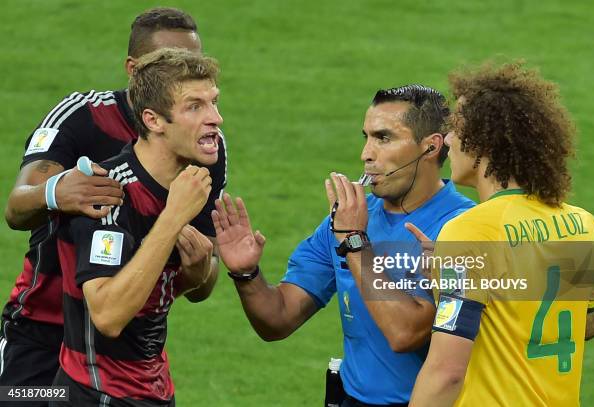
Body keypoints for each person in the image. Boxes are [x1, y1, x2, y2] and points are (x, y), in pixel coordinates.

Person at [0, 7, 227, 397]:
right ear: (135, 70)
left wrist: (203, 272)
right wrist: (55, 192)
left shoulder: (204, 150)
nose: (214, 118)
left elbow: (199, 280)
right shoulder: (83, 120)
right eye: (168, 63)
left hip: (129, 358)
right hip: (42, 333)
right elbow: (16, 207)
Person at [212, 85, 474, 406]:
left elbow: (405, 333)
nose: (366, 153)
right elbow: (279, 318)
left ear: (430, 148)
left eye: (384, 138)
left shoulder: (462, 228)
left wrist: (354, 243)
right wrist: (246, 274)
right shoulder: (348, 219)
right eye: (366, 137)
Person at [408, 61, 594, 406]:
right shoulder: (582, 223)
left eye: (456, 127)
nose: (449, 140)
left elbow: (446, 372)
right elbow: (579, 325)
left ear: (485, 141)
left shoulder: (470, 231)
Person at [51, 47, 222, 406]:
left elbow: (168, 290)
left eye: (214, 103)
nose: (215, 118)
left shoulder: (193, 178)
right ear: (153, 120)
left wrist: (202, 271)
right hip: (96, 394)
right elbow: (108, 316)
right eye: (195, 107)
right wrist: (173, 218)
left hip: (155, 389)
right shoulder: (107, 192)